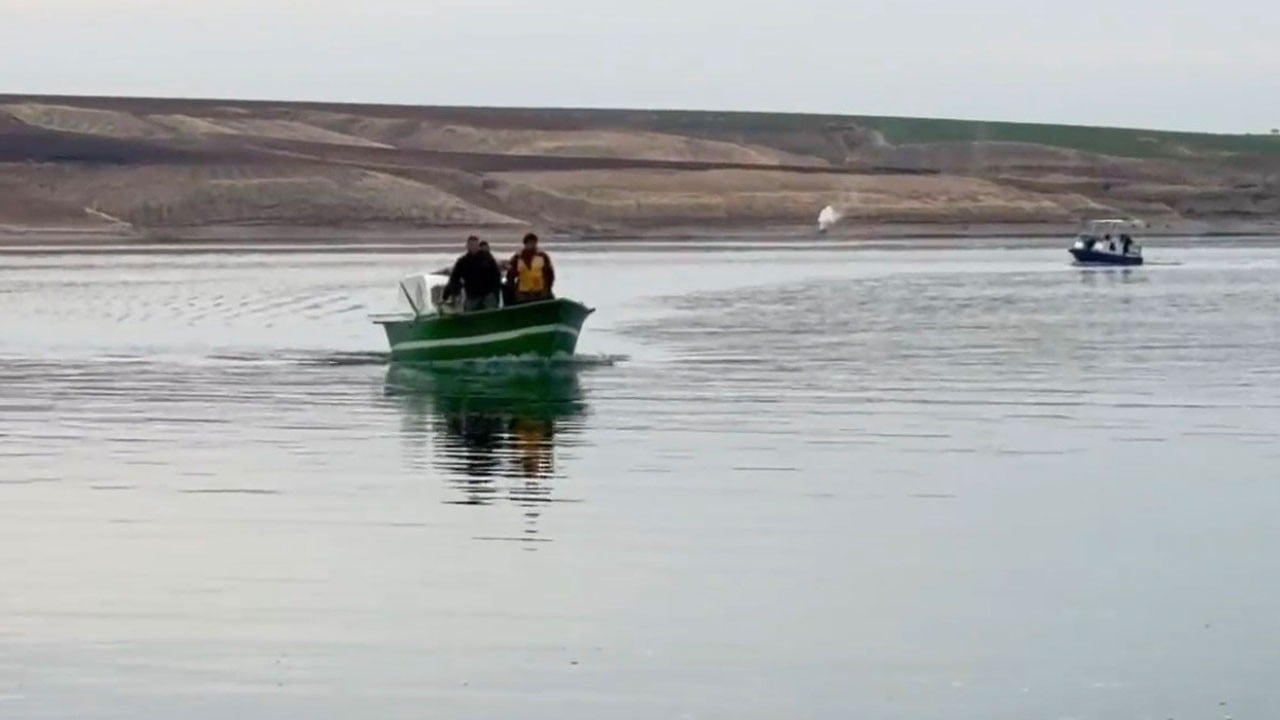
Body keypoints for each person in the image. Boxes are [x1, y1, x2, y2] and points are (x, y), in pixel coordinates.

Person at [442, 235, 502, 311]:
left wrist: (495, 291)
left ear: (478, 246)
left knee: (491, 312)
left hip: (488, 293)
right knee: (469, 314)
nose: (473, 247)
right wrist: (447, 294)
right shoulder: (463, 262)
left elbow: (496, 275)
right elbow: (454, 278)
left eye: (475, 245)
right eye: (471, 245)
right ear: (467, 246)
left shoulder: (487, 258)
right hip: (472, 295)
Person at [507, 232, 555, 305]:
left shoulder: (542, 256)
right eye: (529, 243)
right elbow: (511, 274)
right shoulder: (518, 257)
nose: (532, 245)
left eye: (534, 242)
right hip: (523, 292)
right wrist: (512, 289)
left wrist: (548, 288)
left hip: (540, 292)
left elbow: (549, 274)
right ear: (525, 244)